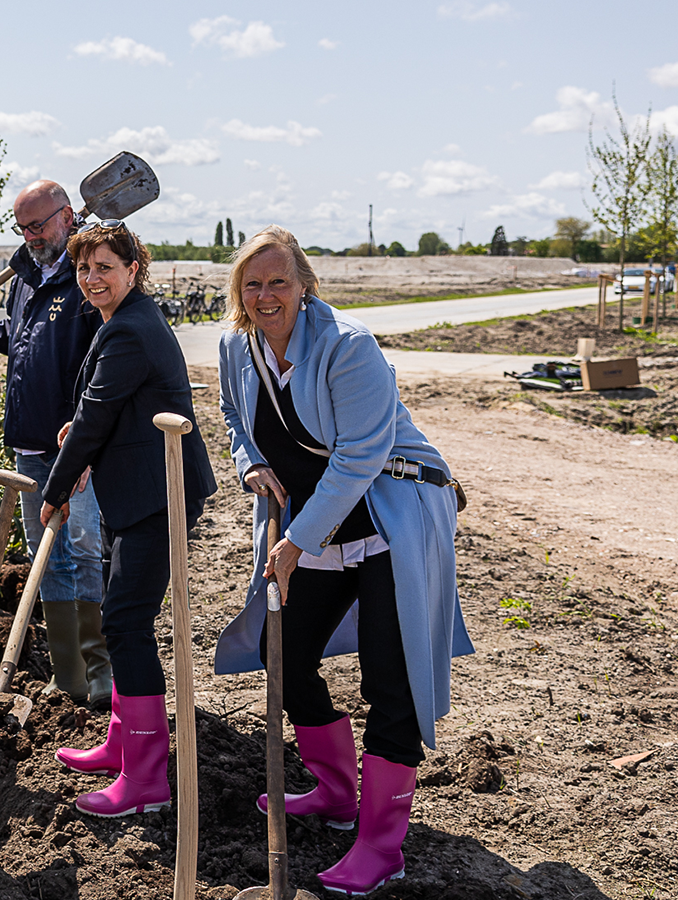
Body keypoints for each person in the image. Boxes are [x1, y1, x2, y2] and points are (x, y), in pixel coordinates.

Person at [209, 226, 472, 896]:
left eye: (279, 281)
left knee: (392, 680)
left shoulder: (349, 347)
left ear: (305, 286)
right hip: (321, 521)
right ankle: (334, 791)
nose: (266, 295)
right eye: (252, 284)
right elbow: (233, 414)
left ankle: (382, 846)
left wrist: (297, 542)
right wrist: (250, 462)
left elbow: (359, 457)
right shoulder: (236, 345)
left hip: (390, 515)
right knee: (284, 652)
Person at [40, 222, 215, 818]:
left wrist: (56, 488)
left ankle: (145, 778)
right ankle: (122, 744)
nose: (92, 279)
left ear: (132, 269)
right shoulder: (124, 319)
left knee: (125, 621)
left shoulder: (130, 329)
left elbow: (97, 413)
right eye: (84, 269)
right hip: (137, 489)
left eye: (105, 267)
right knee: (122, 618)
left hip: (157, 495)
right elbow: (113, 408)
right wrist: (85, 435)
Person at [0, 179, 110, 708]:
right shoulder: (27, 278)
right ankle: (67, 674)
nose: (31, 236)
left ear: (68, 217)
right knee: (45, 556)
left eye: (38, 225)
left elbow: (103, 365)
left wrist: (85, 439)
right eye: (22, 228)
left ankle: (101, 673)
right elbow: (18, 340)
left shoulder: (87, 281)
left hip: (74, 447)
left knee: (84, 548)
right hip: (30, 445)